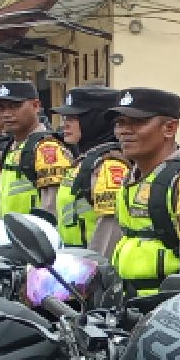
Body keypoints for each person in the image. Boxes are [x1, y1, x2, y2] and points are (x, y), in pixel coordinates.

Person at [104, 88, 180, 293]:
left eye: (137, 122)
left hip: (165, 315)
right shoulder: (131, 177)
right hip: (125, 311)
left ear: (169, 128)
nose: (124, 131)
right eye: (120, 123)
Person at [51, 86, 124, 251]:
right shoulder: (85, 159)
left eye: (74, 118)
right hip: (73, 261)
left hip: (90, 265)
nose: (65, 124)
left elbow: (109, 233)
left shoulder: (109, 165)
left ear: (96, 120)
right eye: (64, 117)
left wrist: (96, 272)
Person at [0, 81, 72, 218]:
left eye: (15, 106)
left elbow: (53, 210)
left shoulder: (47, 148)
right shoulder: (11, 147)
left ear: (36, 106)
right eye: (1, 108)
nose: (6, 114)